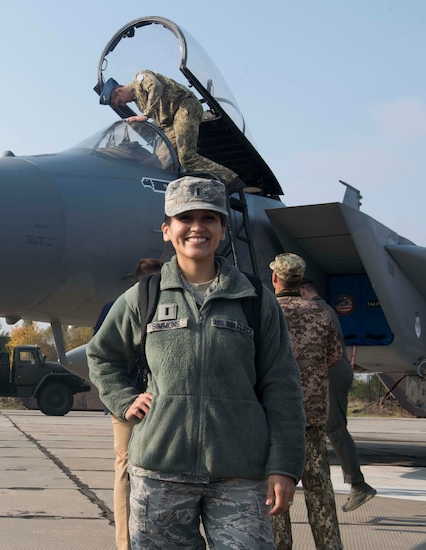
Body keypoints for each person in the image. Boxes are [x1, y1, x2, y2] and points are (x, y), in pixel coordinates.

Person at [88, 175, 306, 549]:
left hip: (239, 475)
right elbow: (101, 354)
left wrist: (284, 466)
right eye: (185, 218)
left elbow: (282, 386)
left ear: (224, 228)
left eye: (209, 218)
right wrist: (125, 401)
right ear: (166, 229)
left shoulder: (255, 300)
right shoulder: (144, 297)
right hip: (160, 471)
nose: (197, 227)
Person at [270, 254, 343, 550]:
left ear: (275, 278)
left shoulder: (267, 312)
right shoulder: (321, 313)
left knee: (274, 489)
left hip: (274, 415)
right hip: (311, 414)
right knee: (319, 487)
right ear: (300, 280)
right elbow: (334, 355)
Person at [299, 278, 377, 512]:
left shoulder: (317, 310)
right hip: (332, 372)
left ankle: (358, 484)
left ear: (303, 291)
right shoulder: (326, 309)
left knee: (335, 429)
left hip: (330, 373)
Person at [99, 72, 244, 191]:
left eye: (119, 101)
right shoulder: (139, 102)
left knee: (186, 156)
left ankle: (230, 179)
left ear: (118, 90)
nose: (123, 104)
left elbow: (156, 87)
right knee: (161, 162)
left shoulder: (140, 79)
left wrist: (146, 115)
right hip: (171, 124)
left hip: (184, 106)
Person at [105, 257, 162, 550]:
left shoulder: (112, 307)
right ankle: (126, 544)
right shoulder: (121, 308)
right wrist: (124, 400)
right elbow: (102, 359)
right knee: (127, 470)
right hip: (131, 406)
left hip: (161, 404)